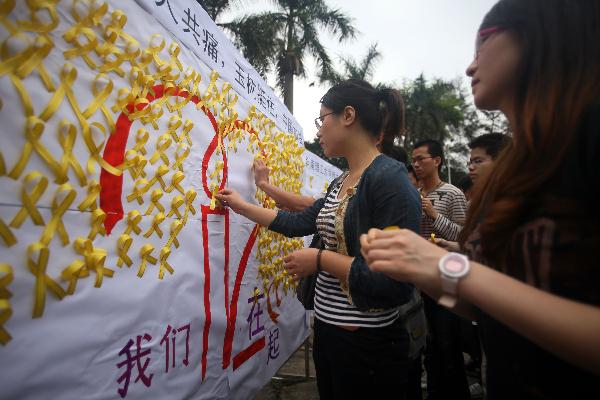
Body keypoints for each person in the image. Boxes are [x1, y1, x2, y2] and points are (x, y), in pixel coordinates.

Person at [361, 1, 600, 398]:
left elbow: (474, 279)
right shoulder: (509, 175)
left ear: (540, 36)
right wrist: (422, 269)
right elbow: (490, 307)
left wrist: (450, 267)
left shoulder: (588, 141)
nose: (470, 67)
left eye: (482, 46)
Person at [217, 79, 421, 399]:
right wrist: (241, 205)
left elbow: (396, 280)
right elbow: (298, 221)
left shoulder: (389, 181)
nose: (318, 130)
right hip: (330, 334)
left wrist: (320, 259)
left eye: (322, 118)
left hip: (367, 346)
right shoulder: (342, 181)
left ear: (348, 116)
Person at [411, 139, 470, 400]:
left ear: (437, 161)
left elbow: (464, 238)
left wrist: (434, 215)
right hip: (418, 280)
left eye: (421, 159)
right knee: (428, 348)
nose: (416, 165)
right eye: (413, 160)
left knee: (448, 347)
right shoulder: (412, 193)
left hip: (447, 279)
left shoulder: (453, 194)